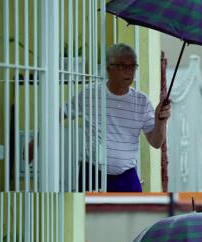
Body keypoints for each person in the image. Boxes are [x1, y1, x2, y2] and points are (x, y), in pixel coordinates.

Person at [66, 43, 171, 192]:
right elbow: (58, 114)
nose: (128, 71)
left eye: (132, 66)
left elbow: (156, 143)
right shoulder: (90, 94)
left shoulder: (141, 101)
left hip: (126, 177)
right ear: (109, 68)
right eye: (122, 66)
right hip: (92, 174)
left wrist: (161, 121)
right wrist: (36, 141)